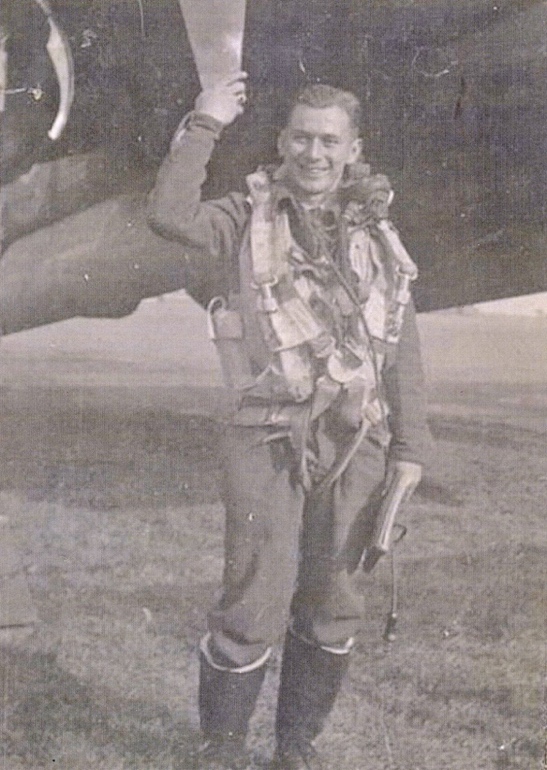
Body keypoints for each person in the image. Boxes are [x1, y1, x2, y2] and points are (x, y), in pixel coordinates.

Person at [147, 75, 431, 770]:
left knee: (335, 597)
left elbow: (399, 339)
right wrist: (206, 122)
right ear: (282, 142)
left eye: (328, 140)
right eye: (300, 137)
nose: (313, 152)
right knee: (253, 596)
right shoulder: (245, 214)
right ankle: (221, 747)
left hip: (354, 436)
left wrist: (410, 445)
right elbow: (168, 215)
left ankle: (295, 746)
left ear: (351, 148)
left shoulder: (376, 228)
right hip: (263, 433)